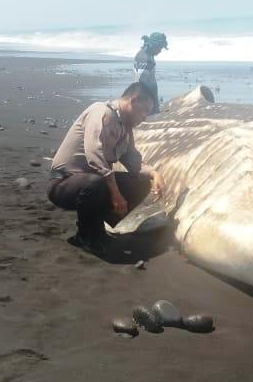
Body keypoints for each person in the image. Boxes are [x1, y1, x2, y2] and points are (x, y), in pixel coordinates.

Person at [48, 81, 165, 255]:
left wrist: (154, 173)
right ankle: (85, 236)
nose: (145, 118)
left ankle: (98, 227)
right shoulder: (101, 112)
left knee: (140, 183)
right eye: (145, 111)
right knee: (96, 183)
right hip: (64, 183)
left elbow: (133, 160)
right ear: (133, 101)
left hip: (94, 183)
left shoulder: (125, 129)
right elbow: (94, 156)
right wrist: (116, 193)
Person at [133, 32, 168, 115]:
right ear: (154, 45)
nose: (160, 51)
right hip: (145, 100)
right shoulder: (144, 58)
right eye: (159, 48)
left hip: (150, 98)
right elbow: (140, 82)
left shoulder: (149, 55)